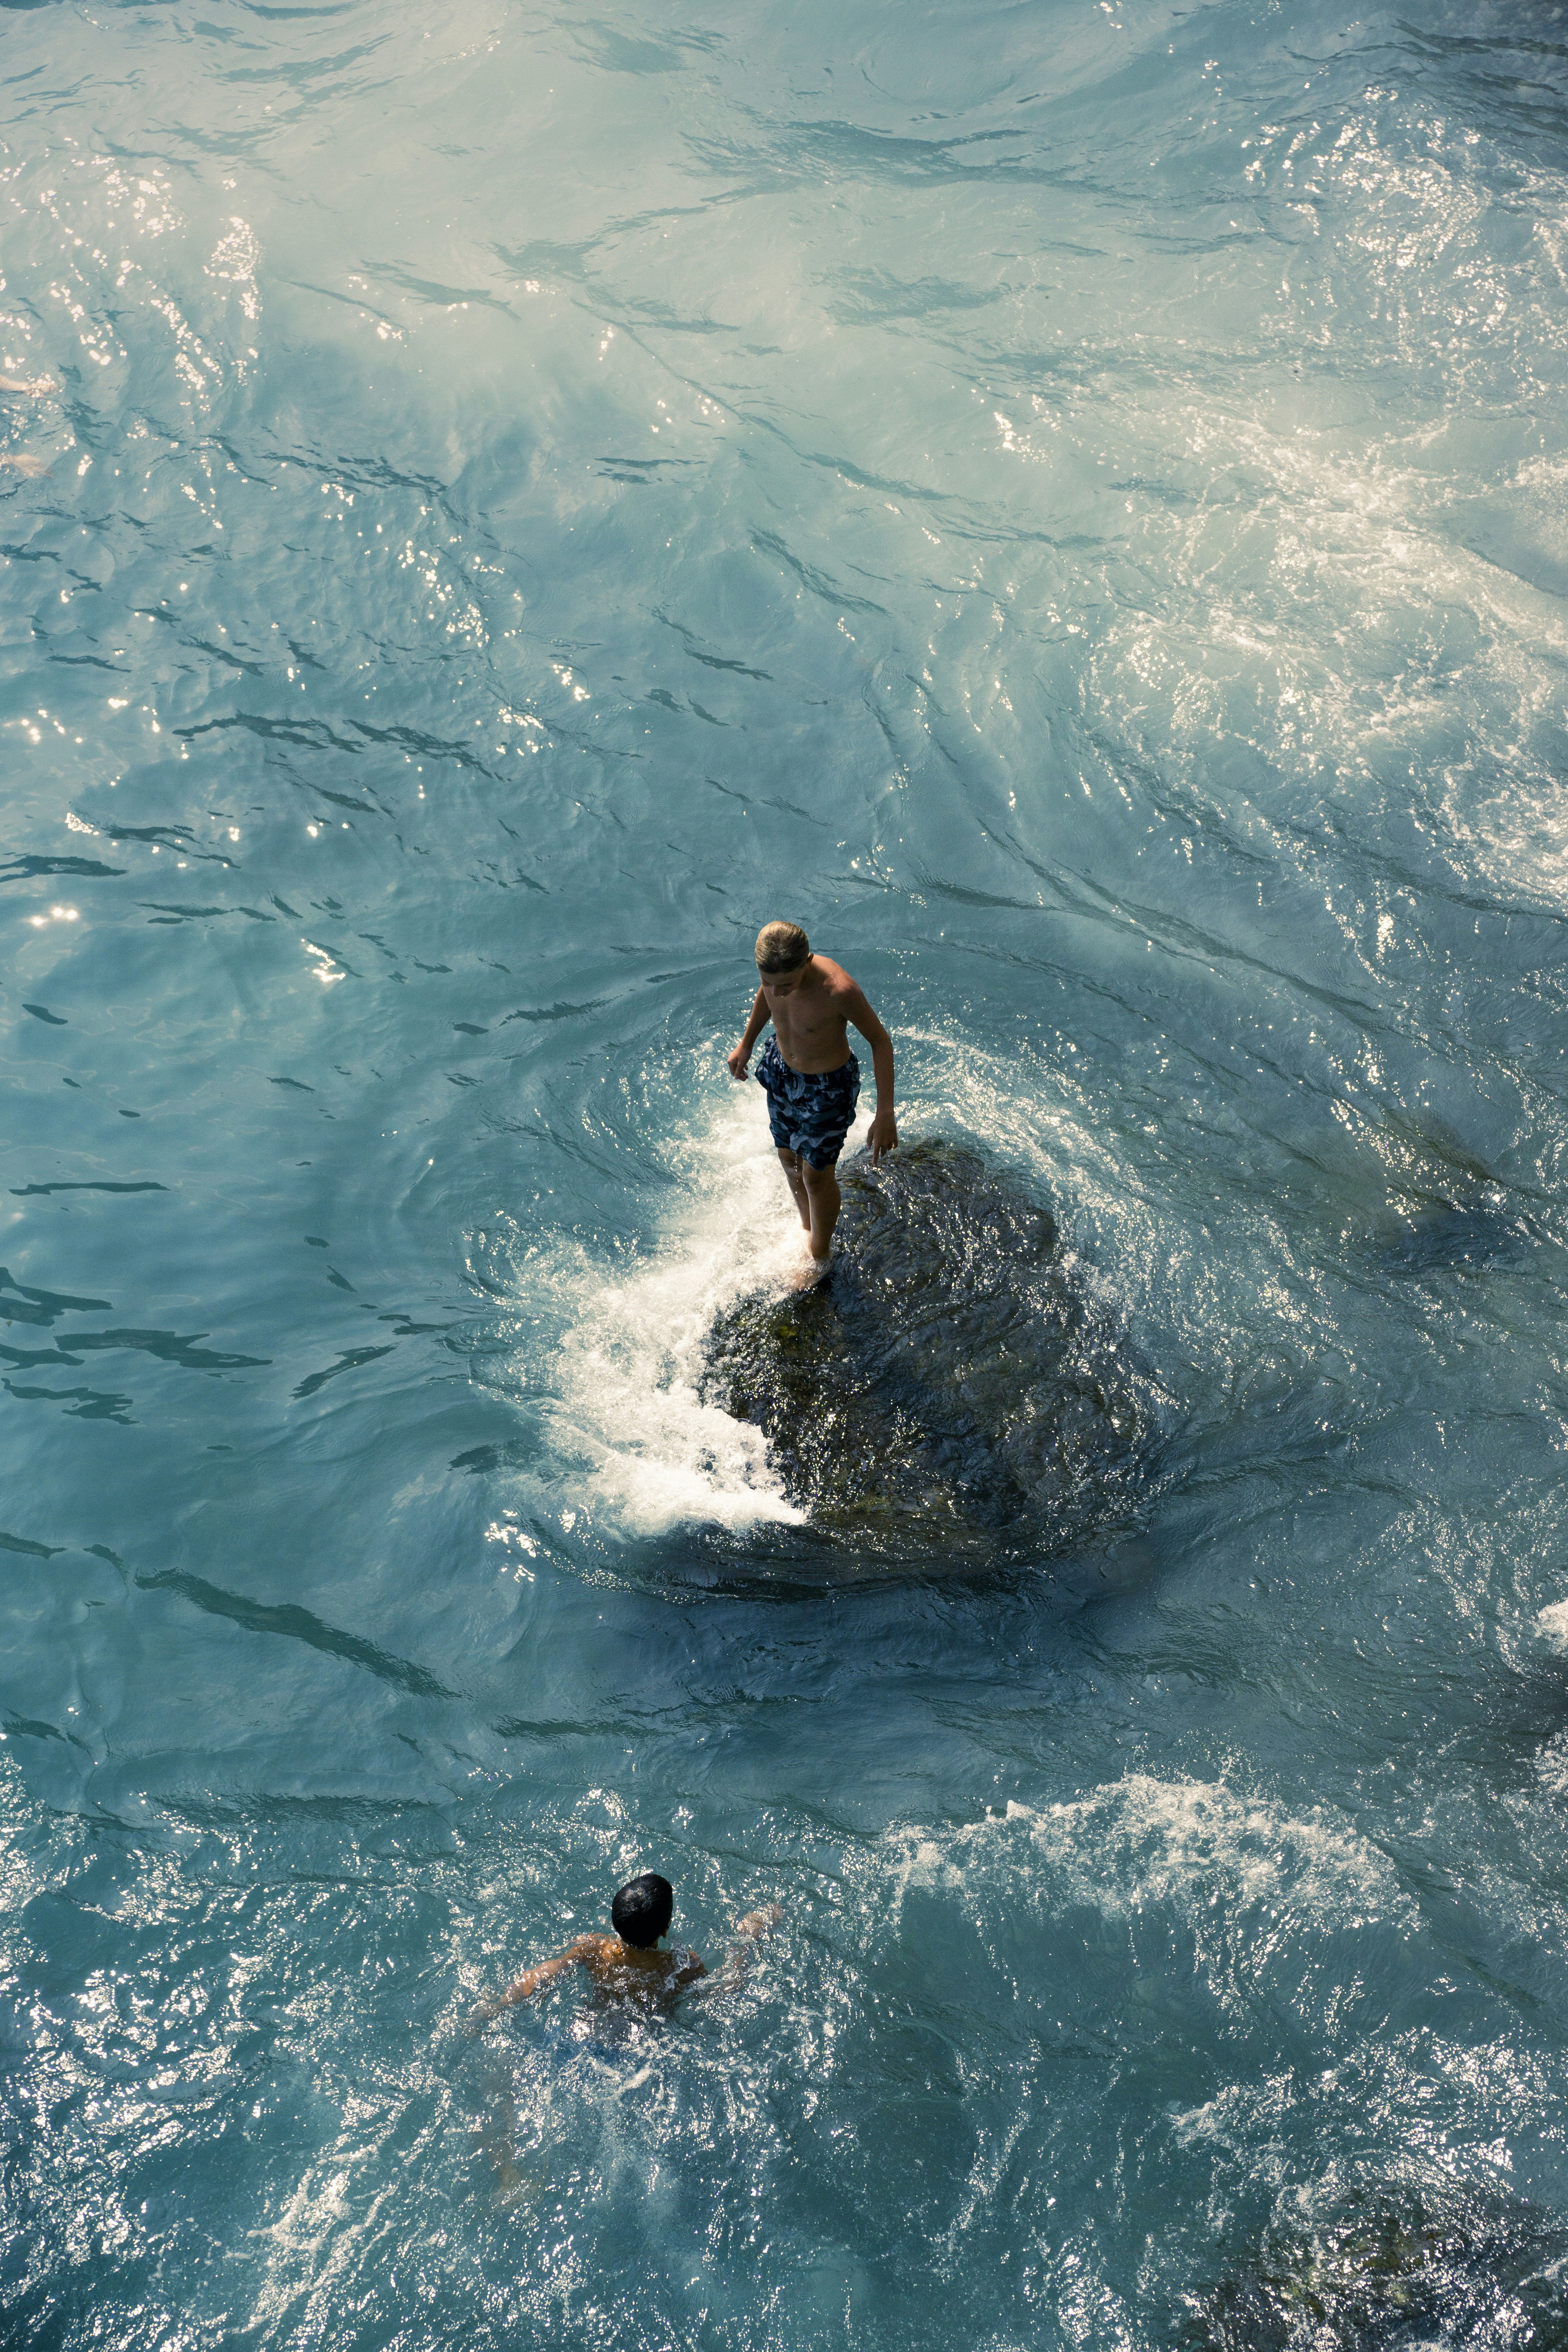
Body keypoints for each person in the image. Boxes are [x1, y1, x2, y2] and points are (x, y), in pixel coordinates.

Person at [727, 921, 897, 1273]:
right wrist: (747, 1043)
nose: (778, 992)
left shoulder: (838, 990)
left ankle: (819, 1255)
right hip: (783, 1071)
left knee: (816, 1177)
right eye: (768, 982)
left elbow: (881, 1042)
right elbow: (768, 995)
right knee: (789, 1159)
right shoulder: (776, 979)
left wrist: (885, 1115)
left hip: (827, 1087)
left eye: (786, 985)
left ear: (806, 961)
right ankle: (807, 1228)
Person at [468, 1872, 781, 2027]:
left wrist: (493, 2008)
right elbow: (724, 1994)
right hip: (638, 2057)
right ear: (665, 1928)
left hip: (584, 2036)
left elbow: (538, 1977)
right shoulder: (680, 1965)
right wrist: (751, 1938)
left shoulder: (593, 1948)